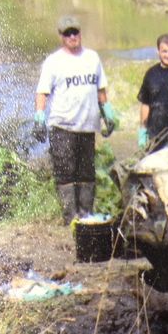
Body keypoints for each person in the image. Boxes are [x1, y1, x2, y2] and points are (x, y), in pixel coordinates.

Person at [33, 15, 119, 224]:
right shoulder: (54, 62)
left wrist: (107, 112)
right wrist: (39, 118)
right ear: (61, 36)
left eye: (75, 32)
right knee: (66, 172)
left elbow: (101, 88)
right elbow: (42, 93)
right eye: (67, 33)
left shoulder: (92, 58)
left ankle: (86, 215)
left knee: (86, 172)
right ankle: (70, 217)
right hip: (62, 126)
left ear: (80, 33)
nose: (72, 36)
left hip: (87, 125)